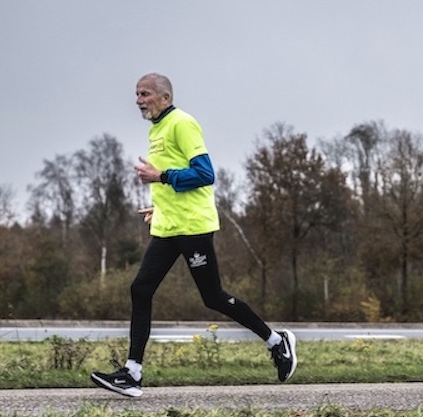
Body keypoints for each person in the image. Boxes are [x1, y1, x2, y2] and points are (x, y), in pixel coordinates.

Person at [91, 73, 296, 398]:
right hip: (169, 226)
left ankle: (276, 341)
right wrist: (159, 207)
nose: (138, 100)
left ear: (164, 98)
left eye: (144, 94)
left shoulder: (182, 124)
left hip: (193, 229)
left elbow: (205, 174)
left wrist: (160, 175)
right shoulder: (157, 129)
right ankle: (132, 374)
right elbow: (173, 182)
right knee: (140, 289)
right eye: (136, 94)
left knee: (212, 297)